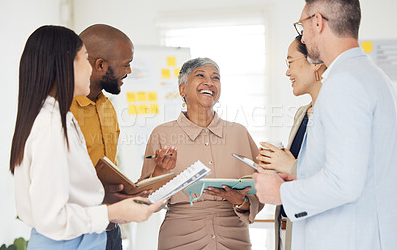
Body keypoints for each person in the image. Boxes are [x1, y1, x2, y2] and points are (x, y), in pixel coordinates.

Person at [253, 0, 397, 249]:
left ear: (317, 22)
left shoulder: (344, 83)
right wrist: (301, 173)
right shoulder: (374, 77)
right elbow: (357, 167)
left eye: (302, 27)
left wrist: (280, 193)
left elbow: (344, 183)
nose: (304, 38)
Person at [10, 25, 162, 249]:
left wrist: (107, 198)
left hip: (87, 237)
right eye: (83, 59)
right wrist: (112, 211)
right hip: (70, 241)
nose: (89, 69)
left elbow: (69, 191)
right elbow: (52, 218)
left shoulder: (57, 119)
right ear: (65, 66)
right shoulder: (51, 126)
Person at [139, 58, 264, 250]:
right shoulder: (162, 134)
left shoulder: (238, 132)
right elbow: (144, 199)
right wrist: (159, 172)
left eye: (216, 78)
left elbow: (262, 189)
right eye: (200, 75)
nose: (209, 82)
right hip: (180, 238)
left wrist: (241, 202)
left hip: (234, 236)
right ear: (182, 90)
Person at [70, 24, 144, 249]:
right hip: (78, 231)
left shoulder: (107, 107)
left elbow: (108, 167)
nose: (129, 71)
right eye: (125, 64)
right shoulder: (62, 110)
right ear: (100, 65)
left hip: (111, 229)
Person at [257, 35, 325, 250]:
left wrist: (289, 166)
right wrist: (276, 167)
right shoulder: (302, 114)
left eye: (290, 62)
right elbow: (300, 168)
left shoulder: (334, 113)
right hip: (291, 224)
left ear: (315, 63)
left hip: (319, 229)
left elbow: (336, 177)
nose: (287, 72)